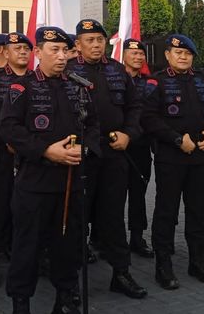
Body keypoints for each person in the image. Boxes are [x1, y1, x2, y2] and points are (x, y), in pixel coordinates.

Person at [0, 26, 99, 314]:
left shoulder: (78, 86)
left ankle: (65, 297)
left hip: (71, 181)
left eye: (65, 50)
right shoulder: (23, 87)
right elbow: (9, 128)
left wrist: (86, 149)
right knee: (26, 247)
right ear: (38, 52)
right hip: (35, 182)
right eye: (53, 50)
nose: (60, 56)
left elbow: (93, 125)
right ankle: (21, 302)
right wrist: (45, 150)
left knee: (68, 246)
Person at [66, 19, 146, 299]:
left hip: (115, 153)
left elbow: (135, 107)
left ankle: (121, 273)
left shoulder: (117, 70)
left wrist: (129, 134)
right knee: (77, 218)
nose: (96, 45)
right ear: (78, 45)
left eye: (100, 39)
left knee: (113, 216)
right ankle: (70, 282)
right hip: (80, 156)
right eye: (89, 40)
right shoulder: (67, 71)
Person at [141, 34, 204, 290]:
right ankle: (163, 266)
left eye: (188, 54)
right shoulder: (157, 81)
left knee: (199, 211)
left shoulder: (203, 80)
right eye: (178, 53)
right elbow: (149, 118)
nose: (183, 57)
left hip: (202, 156)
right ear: (168, 55)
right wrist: (177, 140)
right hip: (171, 158)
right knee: (167, 212)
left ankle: (197, 261)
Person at [0, 32, 34, 290]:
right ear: (6, 53)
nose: (22, 52)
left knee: (30, 208)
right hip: (4, 154)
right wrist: (10, 141)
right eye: (16, 48)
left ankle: (27, 253)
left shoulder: (39, 80)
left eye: (26, 48)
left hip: (33, 156)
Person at [121, 38, 155, 258]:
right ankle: (104, 237)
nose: (137, 57)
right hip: (117, 147)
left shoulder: (150, 82)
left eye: (141, 54)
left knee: (138, 194)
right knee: (111, 197)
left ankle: (136, 236)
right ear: (123, 56)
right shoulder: (114, 80)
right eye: (132, 54)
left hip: (141, 146)